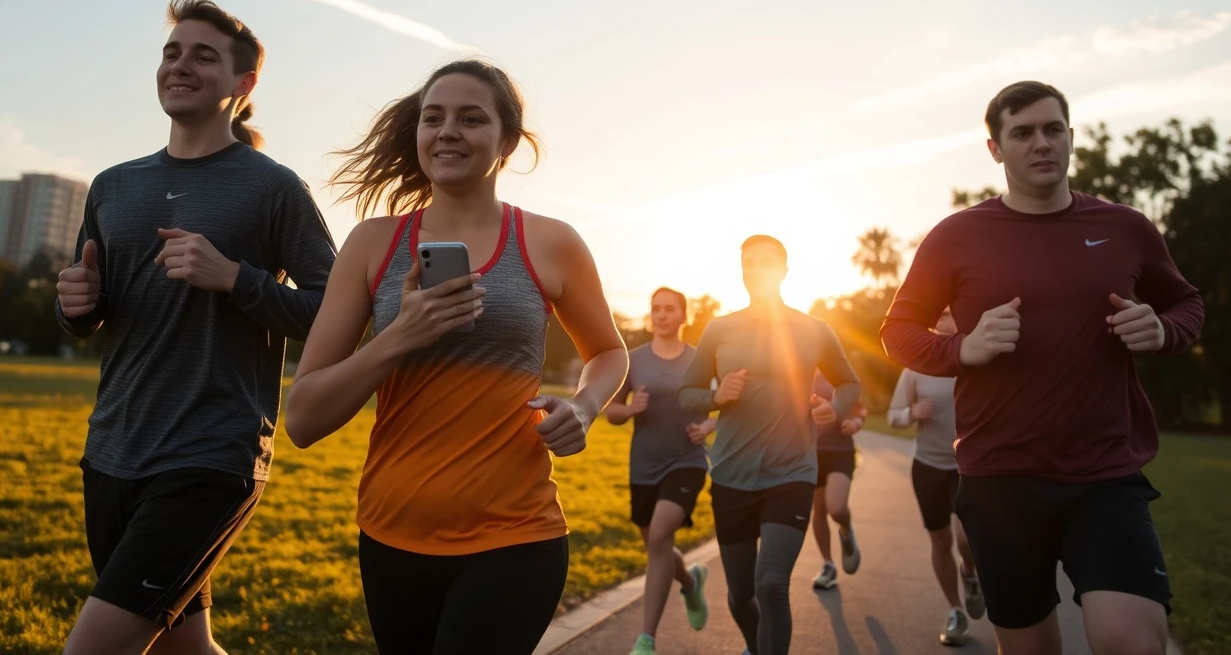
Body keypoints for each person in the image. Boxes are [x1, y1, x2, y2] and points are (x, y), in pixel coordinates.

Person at [284, 59, 629, 655]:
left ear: (507, 142)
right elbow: (304, 419)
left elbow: (608, 351)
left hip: (516, 534)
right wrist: (399, 336)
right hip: (391, 533)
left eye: (471, 119)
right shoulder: (372, 244)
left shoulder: (553, 243)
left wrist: (587, 406)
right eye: (433, 118)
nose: (447, 131)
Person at [880, 81, 1203, 655]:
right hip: (1000, 481)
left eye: (1053, 129)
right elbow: (897, 331)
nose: (1041, 143)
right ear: (996, 149)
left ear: (1071, 138)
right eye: (1023, 132)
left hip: (1105, 477)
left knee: (1133, 644)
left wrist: (1163, 330)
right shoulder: (956, 237)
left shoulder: (1126, 227)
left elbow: (1186, 303)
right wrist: (963, 351)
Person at [55, 0, 336, 655]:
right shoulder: (112, 186)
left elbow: (337, 311)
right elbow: (85, 309)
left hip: (210, 458)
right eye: (171, 52)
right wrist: (75, 305)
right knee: (185, 649)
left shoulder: (274, 189)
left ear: (244, 84)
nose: (179, 65)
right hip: (112, 454)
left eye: (202, 55)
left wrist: (237, 279)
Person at [679, 235, 861, 655]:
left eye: (767, 262)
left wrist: (834, 410)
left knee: (772, 582)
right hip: (731, 475)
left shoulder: (813, 329)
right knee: (741, 595)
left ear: (784, 270)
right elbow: (688, 394)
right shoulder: (720, 329)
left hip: (792, 472)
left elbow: (849, 382)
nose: (757, 270)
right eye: (749, 263)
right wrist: (716, 396)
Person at [603, 286, 716, 655]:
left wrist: (708, 428)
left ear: (684, 316)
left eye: (670, 309)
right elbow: (611, 412)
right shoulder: (633, 360)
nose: (662, 315)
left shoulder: (701, 360)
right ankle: (690, 581)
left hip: (687, 461)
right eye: (656, 309)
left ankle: (646, 639)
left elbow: (727, 405)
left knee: (658, 540)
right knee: (658, 545)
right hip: (644, 466)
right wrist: (632, 409)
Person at [888, 308, 985, 646]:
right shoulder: (917, 367)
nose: (948, 320)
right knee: (941, 541)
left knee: (963, 538)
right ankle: (956, 610)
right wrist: (911, 413)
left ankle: (970, 574)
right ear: (934, 323)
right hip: (928, 466)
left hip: (968, 467)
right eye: (943, 315)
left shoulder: (977, 360)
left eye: (955, 313)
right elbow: (892, 416)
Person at [808, 372, 866, 591]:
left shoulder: (840, 372)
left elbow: (861, 409)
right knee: (819, 510)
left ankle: (846, 529)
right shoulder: (798, 372)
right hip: (811, 453)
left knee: (836, 507)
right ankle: (828, 565)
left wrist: (856, 423)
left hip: (840, 451)